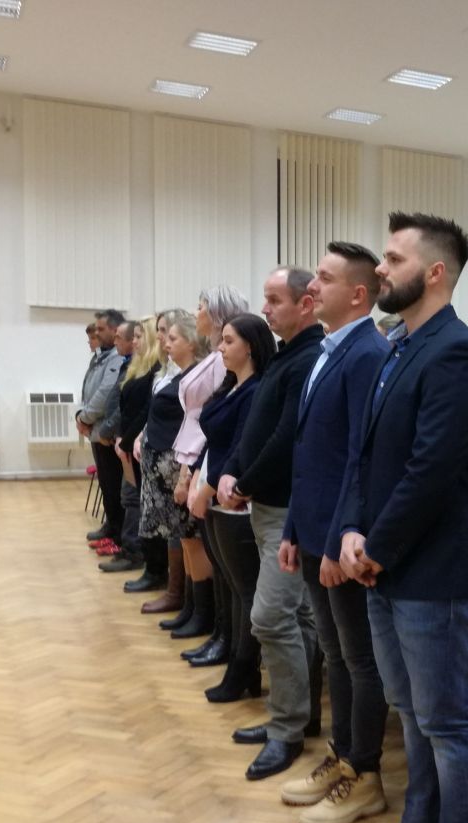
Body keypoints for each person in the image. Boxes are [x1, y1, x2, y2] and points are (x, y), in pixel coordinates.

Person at [338, 212, 468, 823]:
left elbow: (432, 469)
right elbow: (369, 456)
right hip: (390, 564)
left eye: (394, 258)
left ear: (434, 273)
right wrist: (352, 529)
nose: (380, 269)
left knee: (450, 726)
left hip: (438, 573)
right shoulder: (403, 345)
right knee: (411, 710)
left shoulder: (457, 352)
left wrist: (376, 546)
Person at [277, 242, 390, 823]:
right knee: (337, 652)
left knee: (358, 659)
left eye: (324, 277)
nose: (312, 286)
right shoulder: (330, 349)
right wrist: (295, 529)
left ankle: (364, 774)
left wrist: (334, 539)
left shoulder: (368, 353)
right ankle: (343, 756)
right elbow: (309, 455)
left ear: (358, 294)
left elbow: (357, 458)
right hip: (315, 528)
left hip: (338, 539)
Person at [216, 268, 323, 782]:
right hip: (268, 506)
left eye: (275, 299)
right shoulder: (286, 355)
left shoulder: (309, 357)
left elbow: (287, 437)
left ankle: (287, 727)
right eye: (265, 299)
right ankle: (299, 716)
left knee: (270, 618)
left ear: (306, 304)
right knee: (296, 618)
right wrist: (236, 470)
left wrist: (245, 481)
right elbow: (258, 425)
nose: (265, 309)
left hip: (284, 508)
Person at [191, 314, 276, 701]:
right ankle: (229, 649)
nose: (220, 347)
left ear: (251, 346)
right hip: (212, 491)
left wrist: (209, 488)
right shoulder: (231, 386)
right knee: (227, 580)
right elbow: (213, 440)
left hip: (231, 497)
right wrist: (196, 477)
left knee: (245, 589)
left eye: (228, 341)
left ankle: (244, 668)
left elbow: (242, 447)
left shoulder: (256, 390)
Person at [168, 288, 243, 646]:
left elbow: (212, 423)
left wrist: (194, 473)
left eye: (199, 307)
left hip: (205, 461)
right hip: (193, 457)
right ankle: (200, 613)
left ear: (215, 312)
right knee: (193, 540)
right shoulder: (215, 357)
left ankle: (213, 623)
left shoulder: (222, 362)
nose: (194, 312)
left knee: (210, 550)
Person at [136, 312, 207, 618]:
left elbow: (195, 428)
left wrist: (184, 475)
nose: (164, 341)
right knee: (178, 535)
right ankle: (184, 600)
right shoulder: (174, 374)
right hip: (161, 463)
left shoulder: (197, 378)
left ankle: (189, 602)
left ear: (191, 342)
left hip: (177, 466)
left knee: (187, 536)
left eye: (172, 336)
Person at [115, 317, 167, 591]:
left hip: (141, 444)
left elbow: (147, 411)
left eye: (139, 336)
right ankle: (149, 563)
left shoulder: (156, 370)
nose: (134, 341)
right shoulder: (139, 367)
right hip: (132, 443)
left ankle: (154, 567)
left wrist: (127, 441)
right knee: (138, 503)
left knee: (146, 509)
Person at [95, 320, 141, 571]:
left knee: (129, 496)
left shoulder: (142, 368)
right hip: (122, 438)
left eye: (119, 337)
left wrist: (110, 430)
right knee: (122, 493)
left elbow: (131, 409)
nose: (116, 341)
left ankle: (131, 549)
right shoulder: (128, 364)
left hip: (129, 440)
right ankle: (122, 541)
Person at [78, 309, 126, 545]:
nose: (96, 333)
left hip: (106, 431)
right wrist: (81, 415)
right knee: (106, 484)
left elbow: (106, 392)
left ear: (115, 329)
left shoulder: (117, 358)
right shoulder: (101, 356)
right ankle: (111, 525)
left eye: (100, 329)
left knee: (114, 485)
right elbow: (88, 388)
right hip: (96, 430)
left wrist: (86, 417)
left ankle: (117, 532)